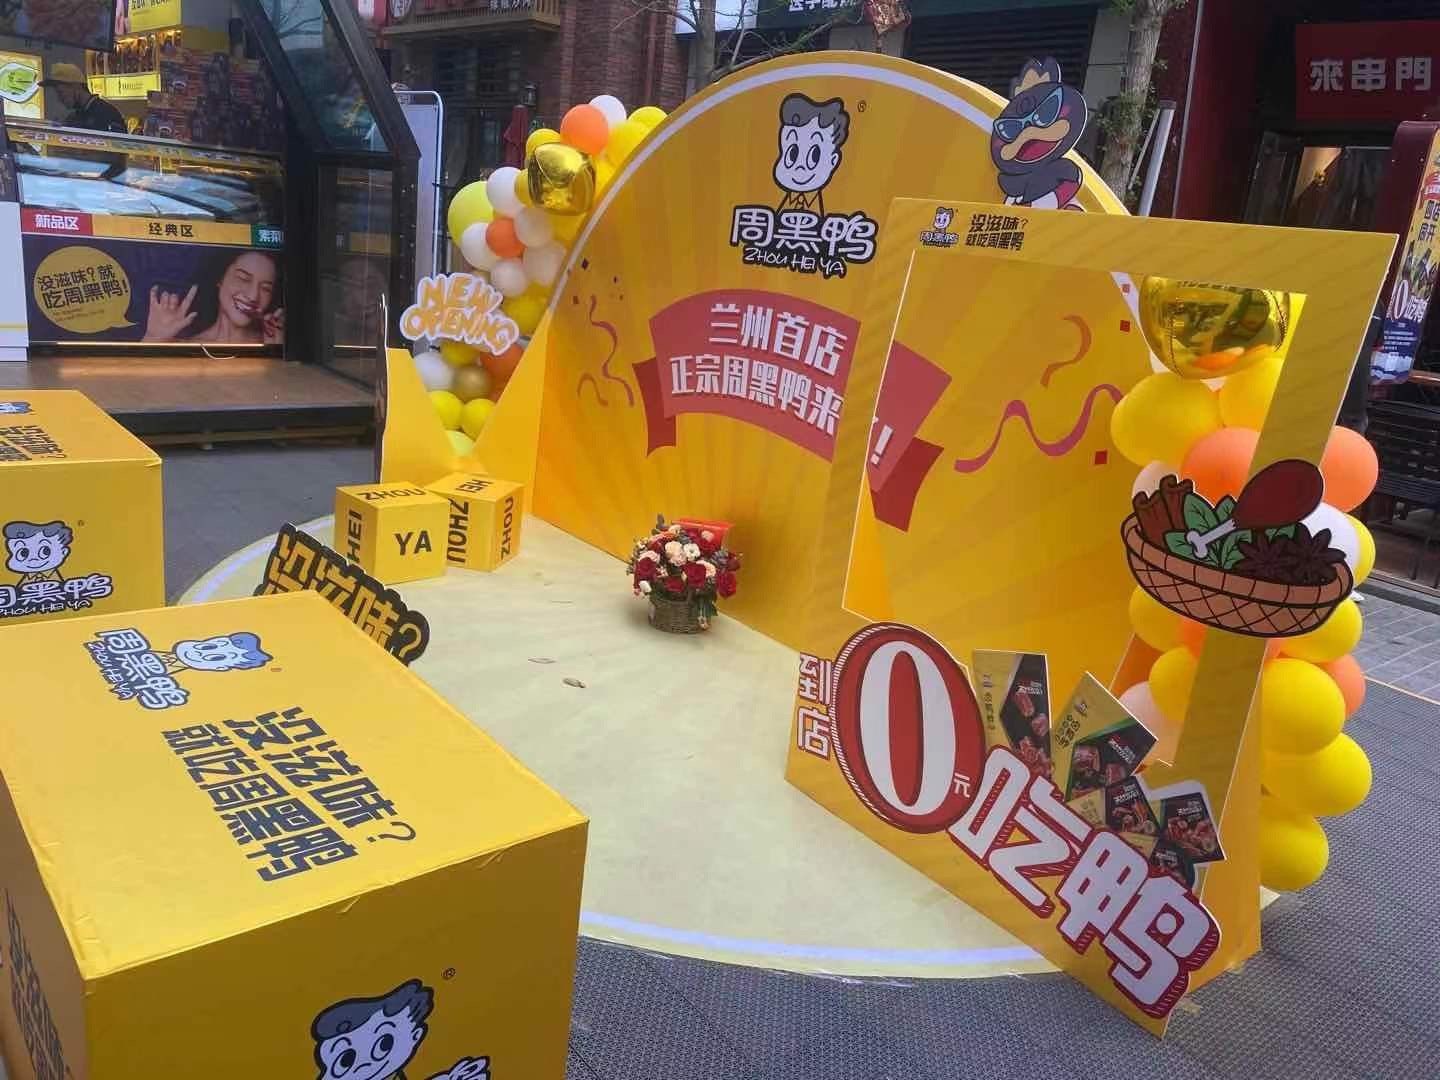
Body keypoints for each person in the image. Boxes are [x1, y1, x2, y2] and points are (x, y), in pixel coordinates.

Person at [142, 250, 284, 344]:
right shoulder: (185, 344)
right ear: (220, 278)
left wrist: (276, 350)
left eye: (266, 289)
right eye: (243, 278)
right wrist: (152, 338)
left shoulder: (273, 341)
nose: (253, 296)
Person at [40, 63, 126, 134]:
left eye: (60, 92)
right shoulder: (74, 117)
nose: (59, 99)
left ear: (76, 86)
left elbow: (119, 146)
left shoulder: (107, 113)